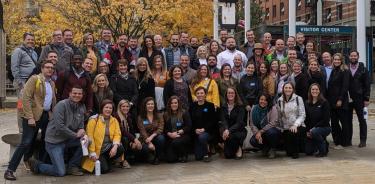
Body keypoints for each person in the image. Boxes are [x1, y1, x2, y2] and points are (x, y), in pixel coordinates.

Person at [4, 61, 56, 181]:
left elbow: (51, 100)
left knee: (45, 140)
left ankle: (38, 165)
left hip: (45, 116)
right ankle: (10, 170)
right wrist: (29, 117)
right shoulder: (34, 79)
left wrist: (51, 114)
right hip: (32, 115)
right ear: (42, 69)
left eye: (52, 68)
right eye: (47, 67)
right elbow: (25, 98)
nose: (50, 70)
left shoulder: (51, 83)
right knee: (26, 142)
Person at [30, 86, 87, 177]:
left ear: (82, 95)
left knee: (87, 141)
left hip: (67, 139)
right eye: (74, 93)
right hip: (54, 142)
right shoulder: (61, 105)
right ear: (70, 94)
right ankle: (37, 165)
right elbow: (60, 127)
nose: (77, 95)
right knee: (60, 172)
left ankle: (72, 166)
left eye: (79, 93)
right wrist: (76, 135)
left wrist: (81, 129)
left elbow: (80, 125)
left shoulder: (81, 107)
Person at [82, 100, 125, 174]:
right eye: (106, 107)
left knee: (120, 148)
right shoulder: (93, 120)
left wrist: (115, 146)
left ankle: (107, 161)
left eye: (110, 108)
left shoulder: (114, 120)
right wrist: (92, 152)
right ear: (102, 108)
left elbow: (117, 134)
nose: (108, 110)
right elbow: (90, 137)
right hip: (97, 150)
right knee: (104, 170)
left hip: (108, 147)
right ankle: (102, 163)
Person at [11, 32, 38, 133]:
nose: (31, 41)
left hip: (33, 83)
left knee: (32, 106)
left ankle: (30, 128)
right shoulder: (18, 51)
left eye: (32, 40)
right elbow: (14, 67)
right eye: (28, 39)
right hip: (22, 83)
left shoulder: (34, 53)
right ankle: (21, 130)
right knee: (21, 107)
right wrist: (20, 84)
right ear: (24, 40)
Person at [276, 82, 306, 159]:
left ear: (293, 89)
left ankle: (296, 151)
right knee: (288, 152)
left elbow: (302, 114)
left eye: (290, 88)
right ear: (283, 89)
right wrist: (280, 128)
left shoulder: (298, 99)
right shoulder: (279, 100)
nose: (288, 89)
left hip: (298, 126)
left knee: (292, 133)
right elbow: (279, 116)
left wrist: (295, 125)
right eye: (286, 88)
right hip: (286, 127)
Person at [327, 53, 350, 148]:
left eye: (338, 60)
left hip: (341, 100)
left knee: (344, 122)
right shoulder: (333, 70)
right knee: (334, 122)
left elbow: (345, 86)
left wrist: (340, 99)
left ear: (341, 61)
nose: (336, 61)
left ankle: (344, 142)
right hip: (332, 101)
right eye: (335, 59)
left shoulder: (345, 70)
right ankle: (337, 141)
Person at [348, 50, 370, 147]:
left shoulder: (363, 69)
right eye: (351, 56)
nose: (353, 57)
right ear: (349, 57)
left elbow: (367, 85)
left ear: (358, 57)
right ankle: (348, 140)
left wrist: (366, 98)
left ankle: (363, 140)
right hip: (347, 98)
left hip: (359, 98)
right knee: (348, 121)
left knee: (362, 120)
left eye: (355, 56)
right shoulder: (345, 68)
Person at [190, 87, 219, 162]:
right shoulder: (192, 106)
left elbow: (213, 121)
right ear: (196, 95)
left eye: (202, 93)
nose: (200, 95)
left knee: (202, 137)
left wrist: (204, 129)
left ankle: (207, 152)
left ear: (205, 94)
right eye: (198, 93)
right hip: (196, 132)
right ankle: (203, 148)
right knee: (198, 157)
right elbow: (190, 121)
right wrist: (195, 129)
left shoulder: (210, 105)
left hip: (207, 131)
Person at [249, 93, 281, 159]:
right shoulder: (254, 108)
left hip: (272, 130)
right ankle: (266, 148)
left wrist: (261, 131)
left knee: (271, 133)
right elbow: (252, 124)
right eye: (261, 99)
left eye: (265, 100)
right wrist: (257, 133)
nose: (263, 101)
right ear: (259, 100)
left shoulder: (272, 108)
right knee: (253, 141)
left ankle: (273, 149)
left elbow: (273, 123)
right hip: (260, 132)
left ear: (268, 101)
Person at [304, 83, 331, 157]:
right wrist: (307, 130)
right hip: (311, 129)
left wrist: (314, 128)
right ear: (310, 91)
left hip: (324, 127)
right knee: (308, 152)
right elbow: (306, 119)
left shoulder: (324, 102)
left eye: (316, 89)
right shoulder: (307, 103)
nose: (314, 91)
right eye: (313, 89)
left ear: (319, 91)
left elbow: (326, 119)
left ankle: (323, 151)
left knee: (315, 132)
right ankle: (321, 143)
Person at [137, 97, 165, 165]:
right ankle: (150, 156)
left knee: (161, 138)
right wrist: (149, 142)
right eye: (148, 104)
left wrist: (152, 136)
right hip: (145, 139)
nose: (150, 106)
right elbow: (142, 131)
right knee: (145, 149)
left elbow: (160, 128)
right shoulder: (140, 117)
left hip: (155, 137)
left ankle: (157, 156)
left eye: (152, 104)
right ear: (145, 106)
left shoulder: (159, 115)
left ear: (154, 105)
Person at [219, 87, 246, 159]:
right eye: (229, 93)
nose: (230, 94)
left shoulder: (240, 106)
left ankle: (239, 148)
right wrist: (226, 129)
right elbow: (223, 120)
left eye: (232, 93)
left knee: (232, 136)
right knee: (228, 156)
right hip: (226, 129)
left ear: (235, 95)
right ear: (226, 95)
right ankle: (228, 147)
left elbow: (239, 122)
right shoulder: (223, 106)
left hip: (238, 130)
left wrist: (229, 130)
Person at [163, 96, 192, 163]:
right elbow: (164, 128)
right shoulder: (166, 114)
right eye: (172, 103)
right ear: (169, 104)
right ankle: (177, 155)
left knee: (176, 142)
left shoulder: (184, 112)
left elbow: (189, 126)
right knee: (170, 160)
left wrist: (178, 132)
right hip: (170, 136)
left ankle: (184, 154)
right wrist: (169, 134)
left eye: (175, 103)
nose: (174, 104)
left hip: (182, 135)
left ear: (178, 104)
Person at [115, 100, 142, 167]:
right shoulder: (116, 116)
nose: (125, 108)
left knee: (138, 144)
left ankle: (127, 158)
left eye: (127, 106)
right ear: (119, 107)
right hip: (118, 138)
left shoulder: (129, 116)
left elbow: (132, 130)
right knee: (125, 139)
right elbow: (122, 131)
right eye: (123, 106)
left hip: (128, 137)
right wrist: (133, 139)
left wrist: (134, 140)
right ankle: (123, 160)